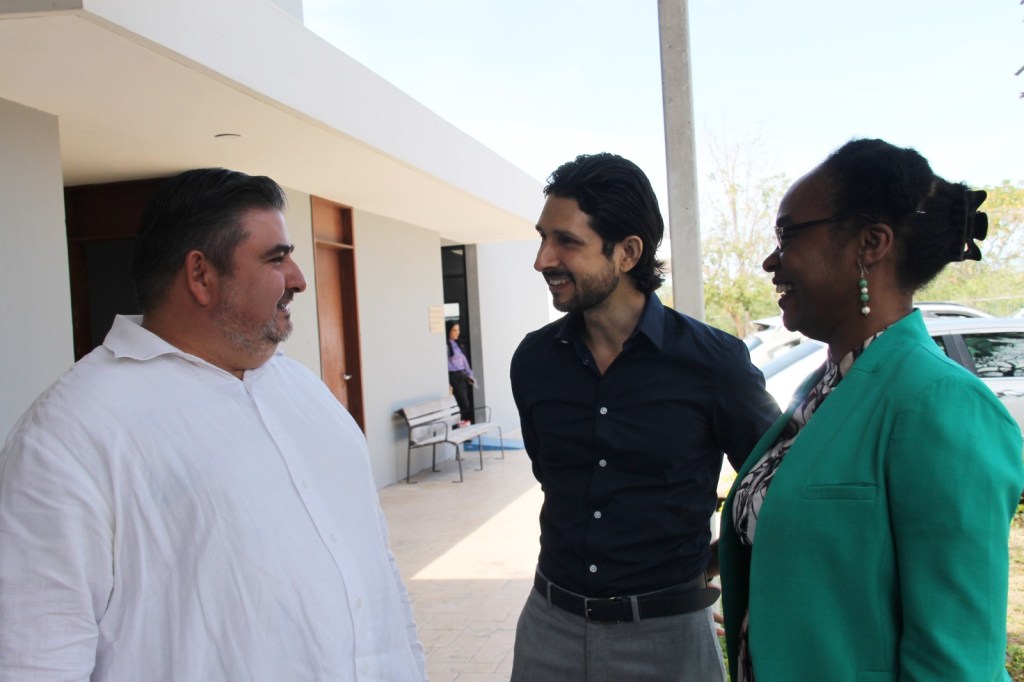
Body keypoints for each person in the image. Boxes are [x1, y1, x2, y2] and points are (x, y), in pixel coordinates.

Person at [0, 168, 427, 681]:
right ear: (201, 275)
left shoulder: (305, 391)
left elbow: (377, 569)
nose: (298, 279)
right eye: (276, 258)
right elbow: (36, 658)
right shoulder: (69, 436)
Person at [719, 138, 1024, 681]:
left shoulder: (941, 404)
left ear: (871, 244)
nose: (770, 260)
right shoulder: (828, 387)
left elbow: (957, 665)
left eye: (788, 235)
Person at [509, 152, 780, 681]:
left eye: (566, 241)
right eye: (542, 238)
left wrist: (706, 566)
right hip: (548, 630)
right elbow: (553, 476)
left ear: (628, 252)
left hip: (668, 639)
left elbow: (773, 489)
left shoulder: (714, 364)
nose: (542, 260)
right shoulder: (534, 362)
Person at [446, 320, 475, 423]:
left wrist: (469, 374)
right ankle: (458, 424)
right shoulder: (446, 346)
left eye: (458, 330)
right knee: (462, 403)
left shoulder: (457, 344)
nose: (457, 332)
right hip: (453, 377)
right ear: (448, 331)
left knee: (464, 403)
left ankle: (461, 424)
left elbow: (464, 361)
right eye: (454, 330)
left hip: (462, 376)